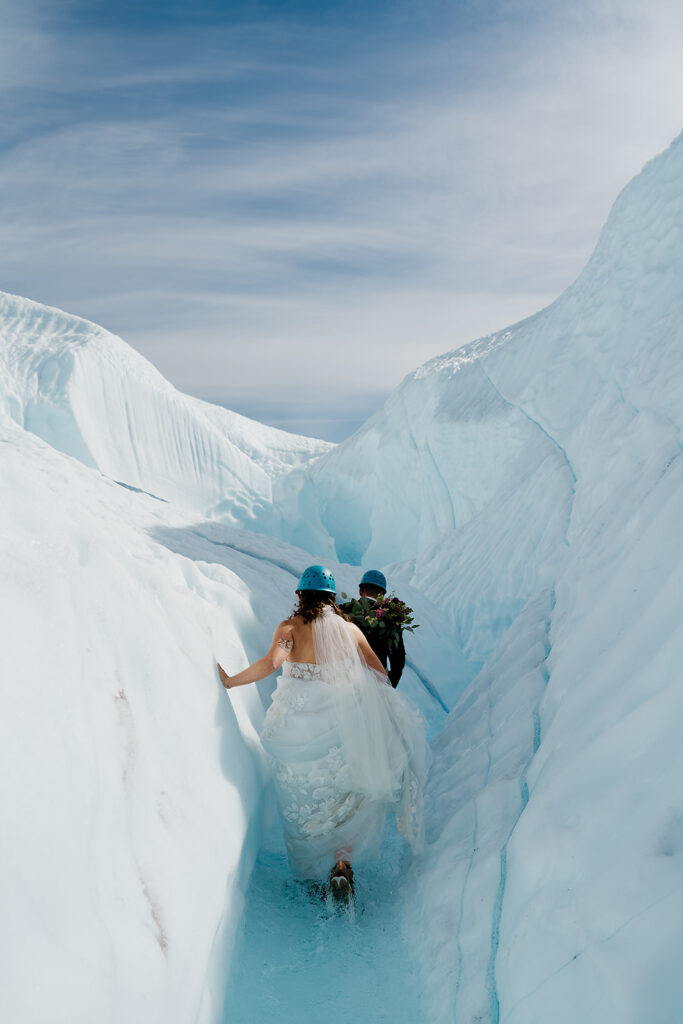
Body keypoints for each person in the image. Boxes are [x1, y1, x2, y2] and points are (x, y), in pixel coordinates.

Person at [217, 565, 429, 898]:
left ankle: (309, 874)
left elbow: (270, 664)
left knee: (302, 798)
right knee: (343, 798)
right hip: (339, 727)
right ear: (332, 599)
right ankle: (341, 864)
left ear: (300, 595)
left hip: (294, 730)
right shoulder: (350, 631)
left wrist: (230, 681)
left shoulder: (290, 628)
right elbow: (379, 672)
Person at [339, 570, 406, 688]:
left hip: (345, 679)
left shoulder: (343, 610)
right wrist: (389, 686)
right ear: (381, 594)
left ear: (360, 591)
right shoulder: (391, 619)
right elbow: (398, 659)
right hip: (377, 682)